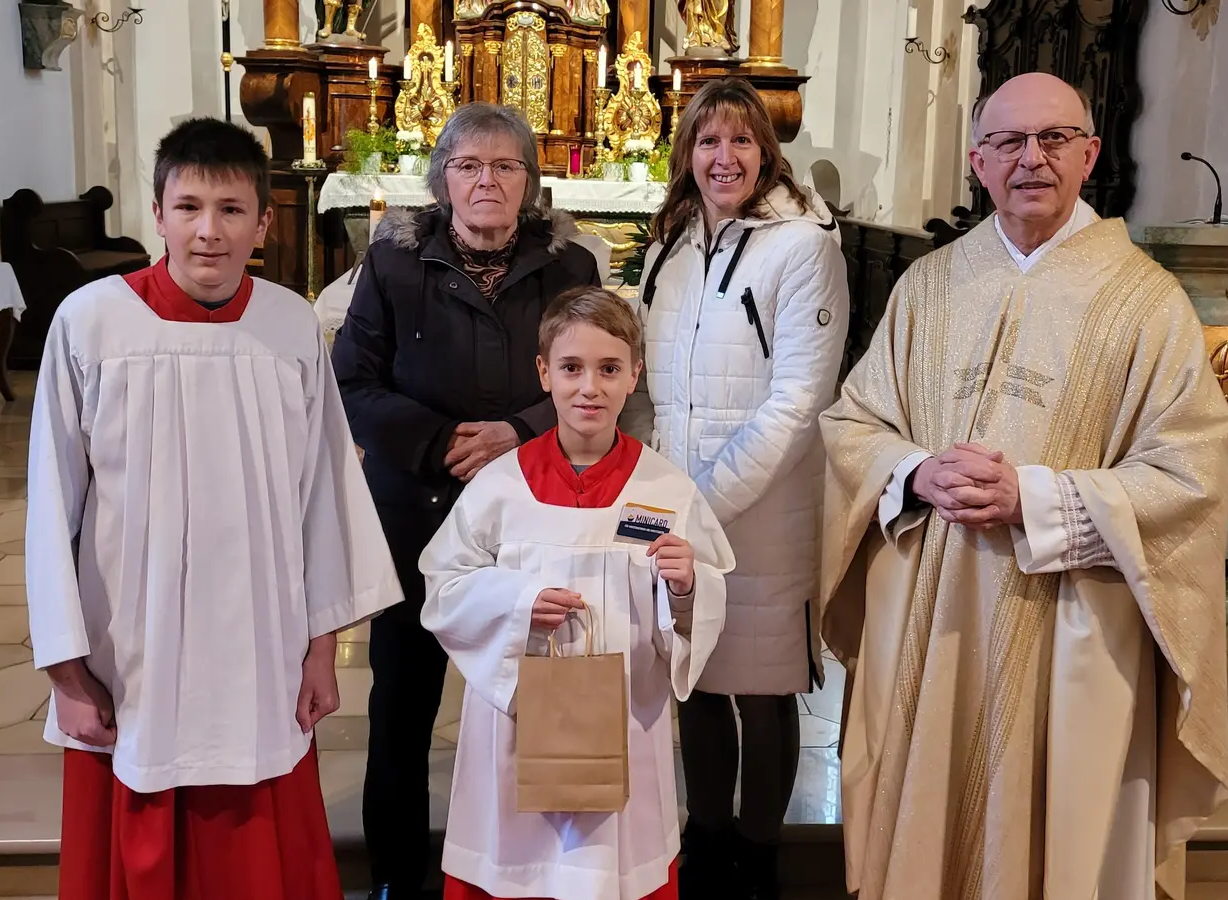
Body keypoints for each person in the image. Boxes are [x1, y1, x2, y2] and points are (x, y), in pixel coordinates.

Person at [816, 72, 1228, 900]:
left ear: (1089, 153)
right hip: (932, 619)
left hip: (1075, 621)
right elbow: (853, 424)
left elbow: (1189, 470)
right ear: (978, 160)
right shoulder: (928, 286)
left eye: (1053, 139)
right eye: (1008, 141)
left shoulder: (1145, 303)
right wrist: (916, 470)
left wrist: (1035, 499)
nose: (1030, 160)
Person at [25, 117, 402, 899]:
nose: (208, 231)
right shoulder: (90, 322)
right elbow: (52, 501)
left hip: (258, 637)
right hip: (130, 635)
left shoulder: (290, 324)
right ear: (156, 212)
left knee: (254, 818)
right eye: (188, 206)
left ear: (264, 222)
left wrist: (322, 646)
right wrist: (65, 667)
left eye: (231, 209)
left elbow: (324, 495)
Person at [333, 102, 602, 900]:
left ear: (530, 181)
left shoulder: (570, 269)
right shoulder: (390, 266)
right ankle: (396, 874)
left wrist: (520, 428)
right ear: (443, 179)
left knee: (544, 691)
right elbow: (350, 382)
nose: (487, 180)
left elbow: (597, 374)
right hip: (417, 509)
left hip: (536, 516)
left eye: (505, 165)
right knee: (403, 702)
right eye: (469, 165)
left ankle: (549, 863)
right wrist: (440, 438)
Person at [420, 285, 735, 900]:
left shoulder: (665, 489)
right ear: (544, 373)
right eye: (571, 368)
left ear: (634, 375)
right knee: (516, 858)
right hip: (518, 723)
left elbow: (705, 598)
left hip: (621, 720)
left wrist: (687, 586)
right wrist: (513, 605)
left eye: (609, 369)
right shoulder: (500, 486)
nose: (589, 387)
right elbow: (444, 585)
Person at [622, 78, 849, 899]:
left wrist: (704, 502)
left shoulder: (804, 246)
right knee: (696, 676)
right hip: (676, 494)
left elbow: (799, 401)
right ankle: (706, 832)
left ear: (766, 151)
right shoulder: (670, 245)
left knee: (761, 683)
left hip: (763, 507)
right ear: (687, 154)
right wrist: (644, 482)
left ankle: (758, 853)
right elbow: (646, 384)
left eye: (741, 141)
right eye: (709, 142)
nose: (725, 158)